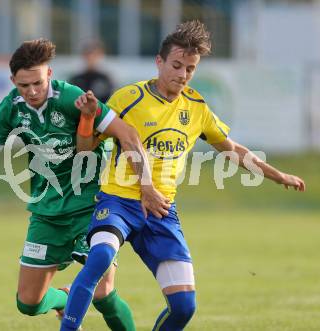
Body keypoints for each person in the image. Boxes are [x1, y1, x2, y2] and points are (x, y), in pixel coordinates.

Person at [60, 20, 306, 331]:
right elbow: (86, 146)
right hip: (118, 201)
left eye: (190, 68)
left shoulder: (197, 106)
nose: (182, 74)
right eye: (176, 65)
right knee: (99, 260)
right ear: (159, 62)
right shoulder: (129, 98)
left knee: (183, 307)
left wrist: (277, 175)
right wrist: (87, 118)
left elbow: (231, 149)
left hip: (162, 209)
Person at [0, 38, 166, 330]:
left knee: (102, 293)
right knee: (28, 303)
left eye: (37, 83)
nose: (31, 91)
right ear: (13, 81)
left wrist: (146, 186)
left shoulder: (71, 97)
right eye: (23, 85)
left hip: (91, 206)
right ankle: (66, 299)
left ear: (50, 75)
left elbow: (128, 135)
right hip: (48, 210)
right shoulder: (11, 108)